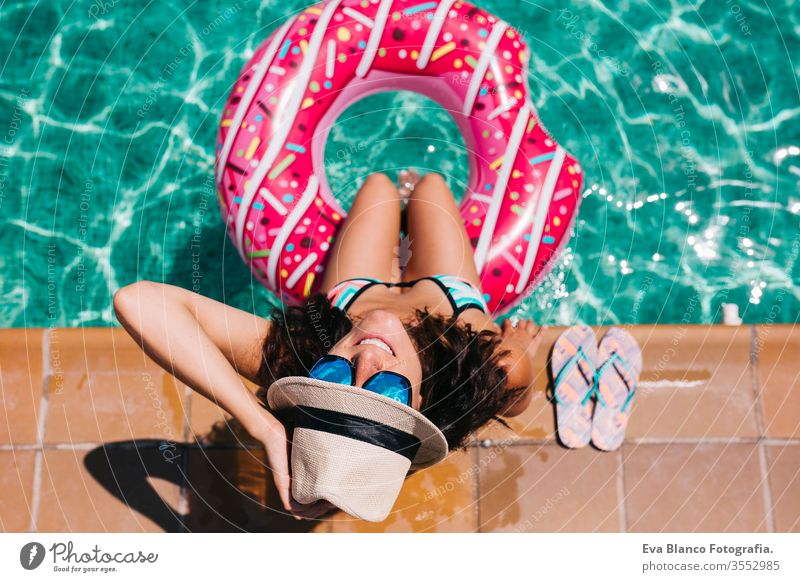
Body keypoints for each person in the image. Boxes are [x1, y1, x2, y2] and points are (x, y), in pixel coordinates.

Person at [113, 171, 545, 520]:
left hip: (352, 295)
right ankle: (412, 205)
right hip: (448, 294)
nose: (367, 356)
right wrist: (521, 348)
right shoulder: (487, 369)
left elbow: (137, 301)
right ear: (421, 399)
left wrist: (262, 424)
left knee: (377, 183)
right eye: (386, 393)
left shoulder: (299, 358)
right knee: (431, 184)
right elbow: (518, 397)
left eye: (335, 378)